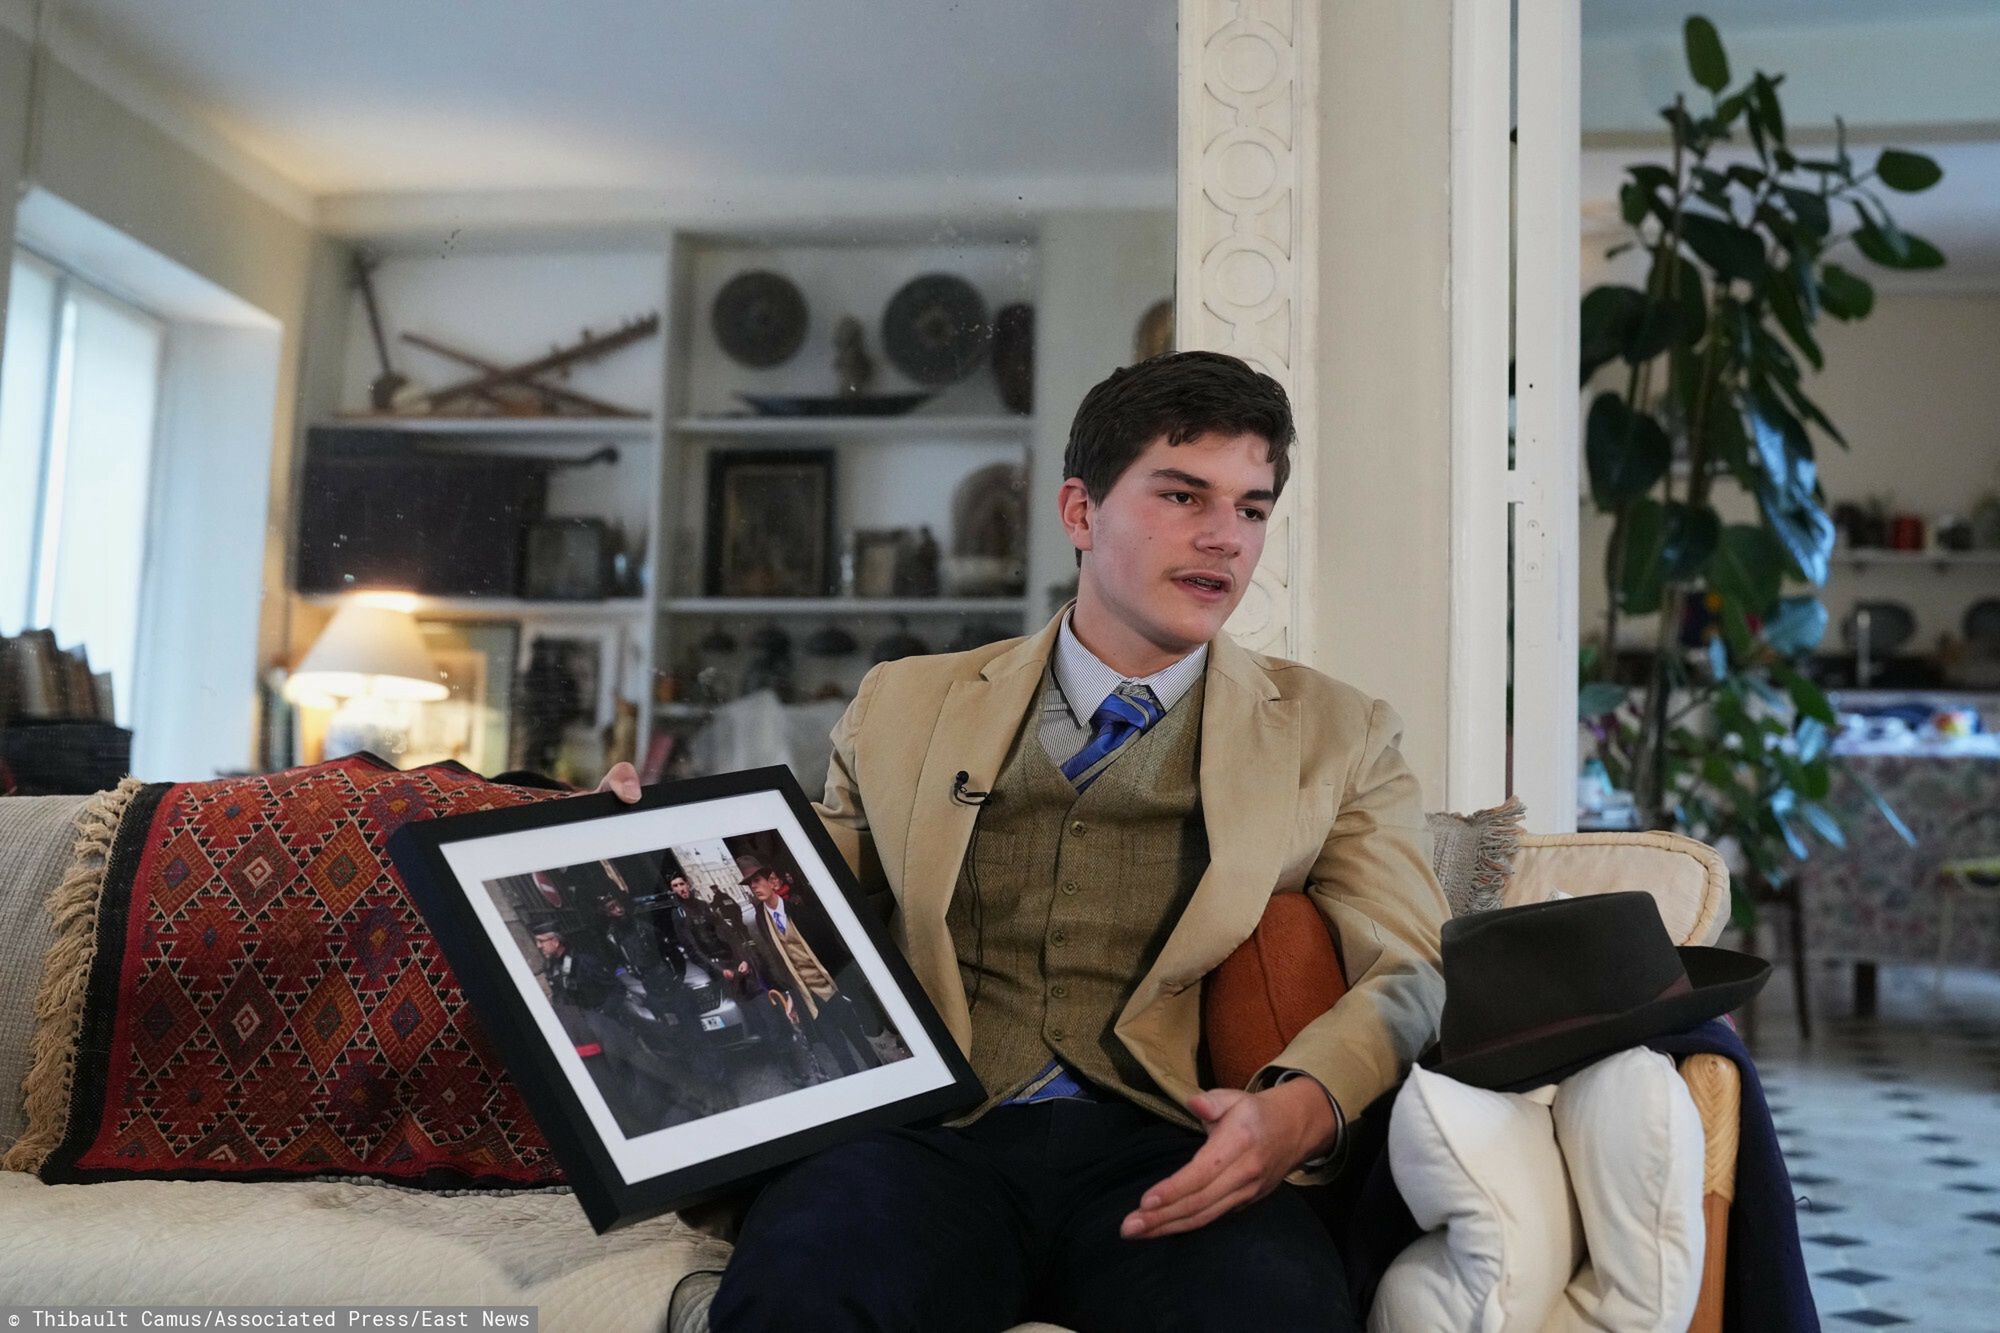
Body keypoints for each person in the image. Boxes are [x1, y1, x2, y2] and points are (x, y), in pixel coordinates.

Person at [597, 350, 1448, 1332]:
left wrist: (1299, 1107)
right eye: (1182, 495)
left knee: (1279, 1310)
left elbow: (1411, 968)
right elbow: (793, 892)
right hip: (922, 1141)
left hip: (1175, 1144)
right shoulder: (902, 701)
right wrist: (655, 844)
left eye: (1250, 509)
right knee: (797, 1291)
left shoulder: (1339, 732)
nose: (1223, 539)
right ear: (1079, 513)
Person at [532, 922, 711, 1133]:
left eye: (541, 941)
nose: (539, 947)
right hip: (589, 1034)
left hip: (612, 1029)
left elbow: (616, 989)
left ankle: (696, 1105)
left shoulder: (584, 963)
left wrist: (601, 1017)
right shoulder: (553, 967)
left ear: (555, 940)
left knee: (650, 1071)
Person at [737, 859, 880, 1078]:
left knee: (860, 1042)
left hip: (831, 989)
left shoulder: (798, 909)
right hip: (808, 999)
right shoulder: (760, 918)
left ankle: (882, 1077)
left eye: (757, 880)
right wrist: (789, 995)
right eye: (750, 885)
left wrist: (845, 984)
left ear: (771, 881)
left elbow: (829, 945)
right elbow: (773, 959)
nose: (754, 887)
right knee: (839, 1053)